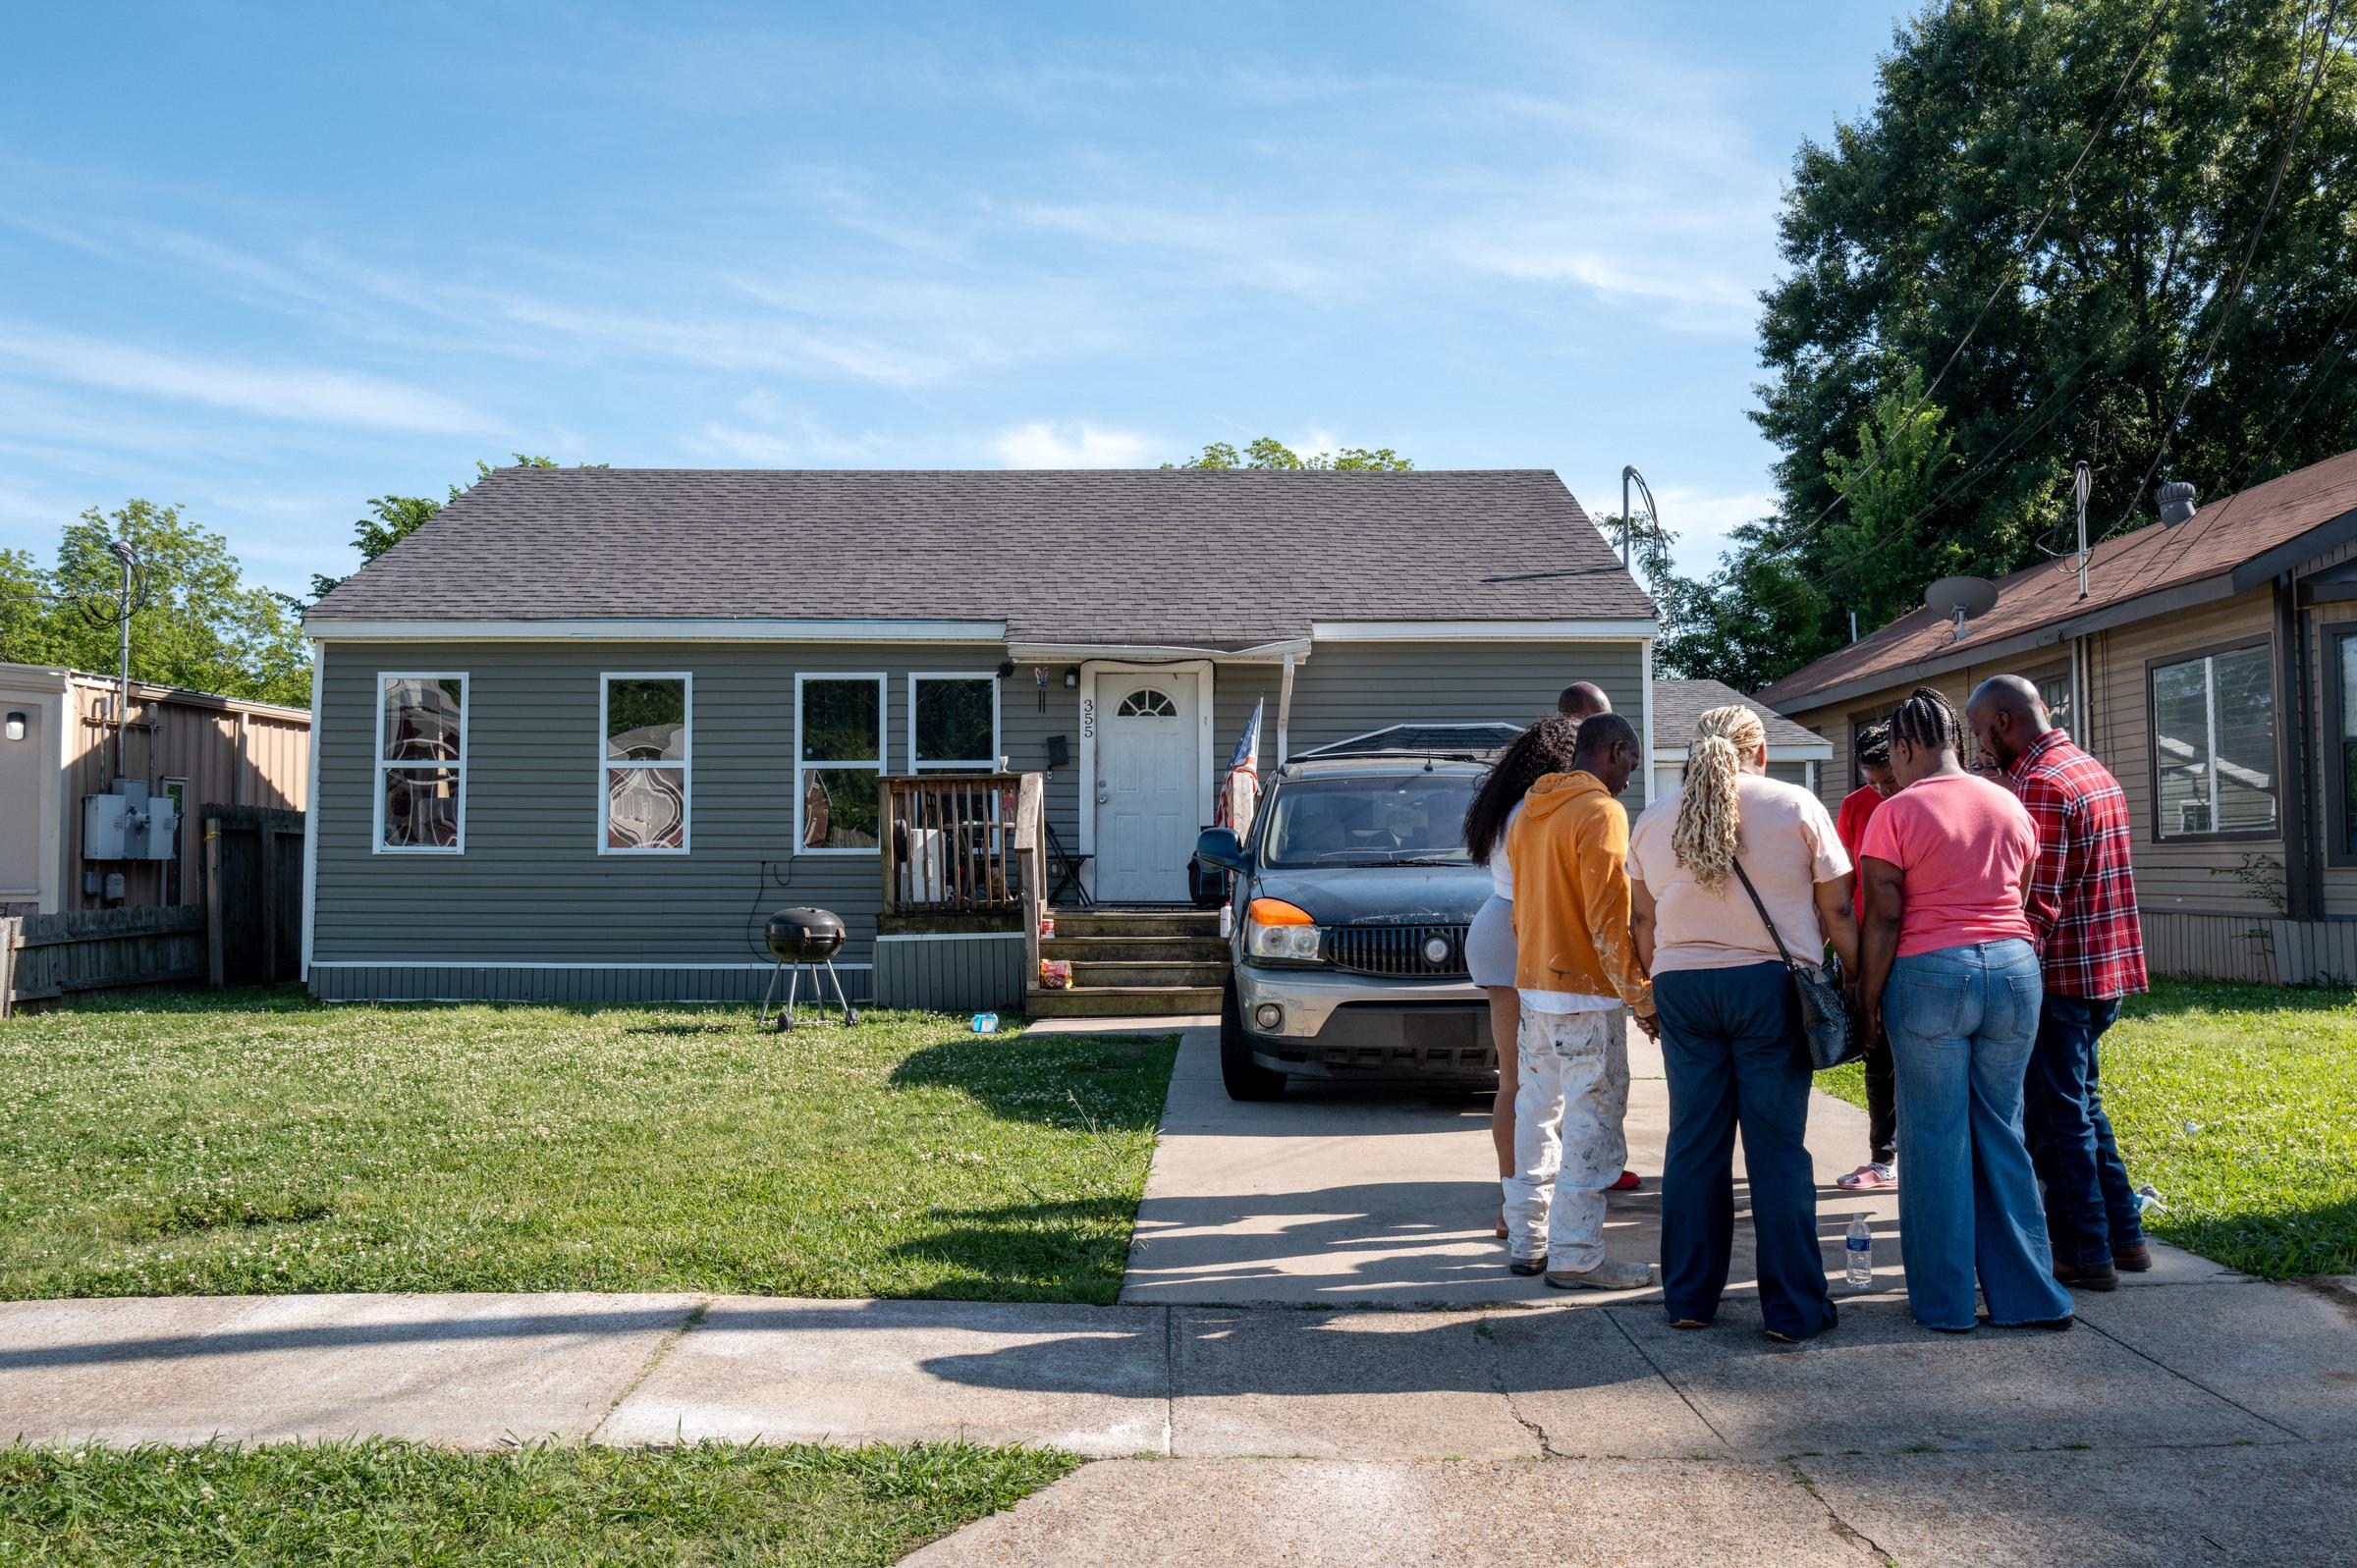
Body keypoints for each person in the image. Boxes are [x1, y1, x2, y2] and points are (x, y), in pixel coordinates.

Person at [1628, 705, 1855, 1342]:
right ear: (1759, 753)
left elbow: (1642, 921)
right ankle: (1792, 1310)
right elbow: (1836, 905)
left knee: (1695, 1143)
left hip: (1682, 986)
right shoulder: (1796, 805)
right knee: (1776, 1149)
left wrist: (1654, 992)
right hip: (1771, 989)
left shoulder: (1652, 819)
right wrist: (1858, 978)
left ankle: (1690, 1299)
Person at [1856, 687, 2074, 1333]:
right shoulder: (2008, 800)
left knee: (1934, 1138)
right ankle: (2031, 1295)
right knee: (2003, 1129)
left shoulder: (1896, 811)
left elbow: (1883, 918)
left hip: (1930, 976)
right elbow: (2024, 892)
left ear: (1902, 746)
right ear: (1954, 737)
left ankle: (1944, 1302)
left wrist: (1865, 1000)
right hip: (2013, 971)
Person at [1966, 675, 2152, 1289]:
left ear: (2001, 721)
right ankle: (2124, 1237)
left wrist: (2006, 973)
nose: (1982, 751)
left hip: (2061, 976)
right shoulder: (2091, 771)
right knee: (2085, 1107)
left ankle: (2082, 1252)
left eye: (1980, 734)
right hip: (2107, 968)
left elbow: (2035, 906)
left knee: (2056, 1119)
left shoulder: (2039, 786)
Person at [1502, 712, 1655, 1290]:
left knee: (1536, 1117)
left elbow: (1521, 911)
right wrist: (1642, 997)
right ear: (1614, 750)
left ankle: (1528, 1240)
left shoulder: (1527, 814)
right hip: (1585, 995)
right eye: (1630, 768)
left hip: (1534, 987)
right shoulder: (1600, 813)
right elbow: (1609, 920)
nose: (1627, 783)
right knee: (1592, 1124)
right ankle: (1577, 1255)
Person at [1462, 719, 1582, 1238]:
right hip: (1530, 932)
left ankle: (1512, 1203)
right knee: (1556, 1083)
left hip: (1495, 926)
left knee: (1513, 1081)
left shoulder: (1505, 806)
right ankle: (1533, 1206)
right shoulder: (1547, 808)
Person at [1835, 723, 1900, 1193]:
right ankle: (1885, 1157)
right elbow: (1842, 883)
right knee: (1877, 1054)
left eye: (1888, 780)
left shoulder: (1916, 803)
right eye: (1871, 780)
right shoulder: (1854, 807)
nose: (1880, 789)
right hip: (1864, 947)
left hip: (1914, 946)